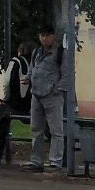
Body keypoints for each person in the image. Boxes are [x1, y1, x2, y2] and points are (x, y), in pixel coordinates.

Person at [24, 25, 66, 171]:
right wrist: (28, 78)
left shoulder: (60, 52)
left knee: (56, 130)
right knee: (36, 129)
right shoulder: (37, 52)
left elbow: (67, 74)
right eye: (42, 35)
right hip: (36, 95)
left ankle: (55, 161)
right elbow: (32, 69)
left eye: (47, 35)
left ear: (53, 36)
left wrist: (57, 89)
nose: (44, 38)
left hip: (52, 96)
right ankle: (36, 161)